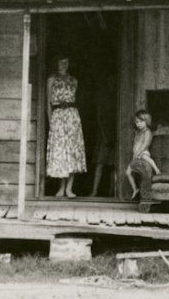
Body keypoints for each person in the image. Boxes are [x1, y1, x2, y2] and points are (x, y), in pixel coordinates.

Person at [45, 55, 87, 198]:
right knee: (61, 152)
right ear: (56, 63)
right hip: (57, 116)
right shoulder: (51, 79)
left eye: (66, 62)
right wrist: (51, 122)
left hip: (72, 117)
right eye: (60, 62)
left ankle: (69, 188)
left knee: (72, 151)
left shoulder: (74, 80)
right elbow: (48, 103)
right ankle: (60, 188)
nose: (63, 64)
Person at [87, 82, 116, 198]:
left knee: (115, 165)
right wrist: (105, 136)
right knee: (100, 164)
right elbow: (100, 118)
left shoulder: (117, 97)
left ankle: (113, 193)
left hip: (115, 134)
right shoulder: (103, 98)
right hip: (104, 135)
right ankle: (94, 191)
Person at [125, 109, 160, 200]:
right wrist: (135, 154)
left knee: (145, 157)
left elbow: (146, 144)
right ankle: (135, 189)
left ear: (147, 121)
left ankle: (156, 169)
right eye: (137, 122)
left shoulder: (147, 132)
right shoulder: (138, 132)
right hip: (136, 154)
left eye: (141, 121)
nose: (139, 124)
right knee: (128, 173)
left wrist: (139, 152)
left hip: (143, 152)